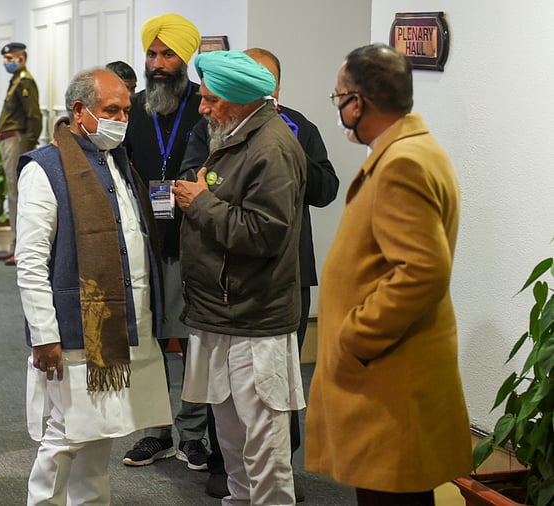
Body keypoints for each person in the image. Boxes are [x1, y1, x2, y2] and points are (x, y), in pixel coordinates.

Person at [305, 43, 471, 506]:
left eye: (338, 96)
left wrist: (355, 336)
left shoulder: (403, 163)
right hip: (391, 372)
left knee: (391, 498)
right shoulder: (411, 150)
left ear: (358, 102)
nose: (337, 106)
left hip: (389, 376)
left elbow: (422, 271)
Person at [179, 47, 340, 500]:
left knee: (265, 451)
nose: (202, 107)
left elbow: (262, 234)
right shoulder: (234, 134)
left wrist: (200, 202)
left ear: (243, 99)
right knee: (234, 447)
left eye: (211, 99)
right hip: (223, 314)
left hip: (255, 320)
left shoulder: (273, 147)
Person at [16, 68, 172, 505]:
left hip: (119, 329)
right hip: (73, 330)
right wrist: (44, 334)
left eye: (126, 110)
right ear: (80, 111)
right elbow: (30, 261)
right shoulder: (45, 168)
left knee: (99, 436)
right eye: (111, 110)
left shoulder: (120, 163)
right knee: (65, 436)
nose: (122, 119)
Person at [122, 12, 209, 472]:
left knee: (194, 340)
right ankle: (155, 431)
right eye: (151, 54)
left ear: (186, 56)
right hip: (143, 243)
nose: (157, 63)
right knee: (149, 339)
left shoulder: (205, 106)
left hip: (195, 242)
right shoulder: (132, 107)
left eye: (167, 54)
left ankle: (193, 434)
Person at [0, 42, 42, 266]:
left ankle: (20, 248)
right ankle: (14, 245)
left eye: (10, 58)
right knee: (13, 194)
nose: (6, 62)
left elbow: (34, 116)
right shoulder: (16, 80)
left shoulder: (25, 82)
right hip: (8, 139)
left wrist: (28, 146)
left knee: (17, 195)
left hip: (18, 141)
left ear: (22, 59)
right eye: (5, 58)